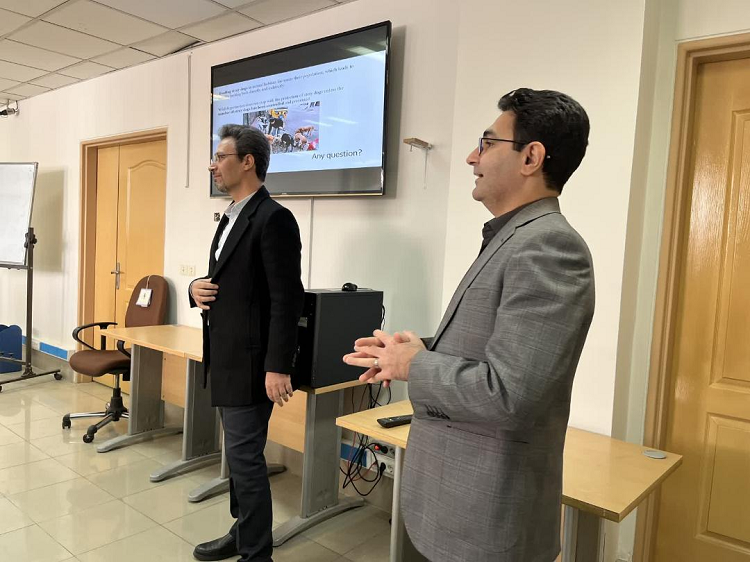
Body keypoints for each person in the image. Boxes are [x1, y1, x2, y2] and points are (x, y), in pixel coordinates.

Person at [344, 88, 595, 562]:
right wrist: (419, 349)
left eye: (487, 143)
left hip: (486, 518)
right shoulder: (515, 236)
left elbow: (511, 394)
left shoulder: (549, 247)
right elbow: (492, 348)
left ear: (531, 157)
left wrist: (414, 366)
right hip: (456, 504)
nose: (470, 157)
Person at [190, 124, 304, 562]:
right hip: (225, 356)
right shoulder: (231, 215)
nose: (213, 165)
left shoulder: (274, 218)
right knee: (239, 458)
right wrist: (194, 290)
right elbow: (223, 282)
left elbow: (286, 299)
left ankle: (257, 553)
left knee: (245, 460)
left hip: (253, 364)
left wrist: (278, 366)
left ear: (248, 162)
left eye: (221, 157)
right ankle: (243, 532)